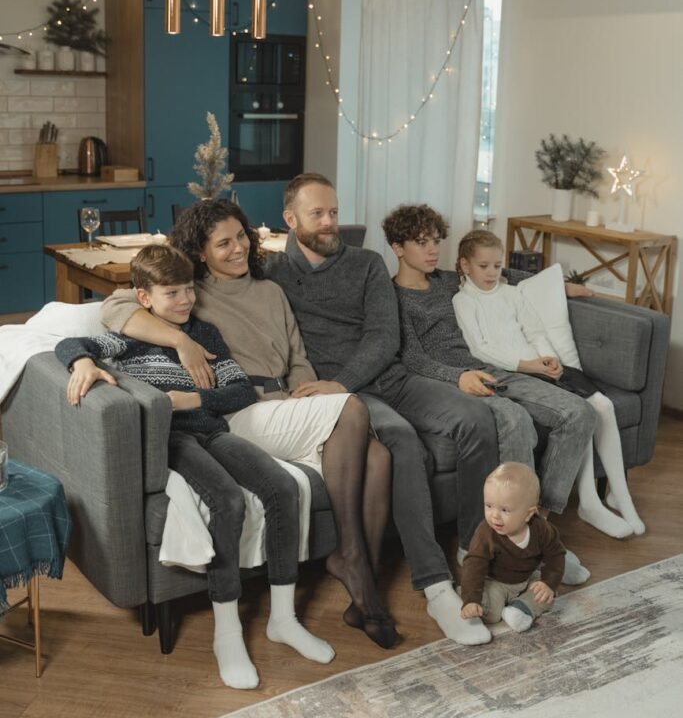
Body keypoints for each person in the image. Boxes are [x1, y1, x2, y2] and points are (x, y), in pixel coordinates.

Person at [100, 204, 397, 650]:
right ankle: (351, 558)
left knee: (379, 455)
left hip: (286, 405)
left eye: (241, 236)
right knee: (352, 408)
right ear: (199, 252)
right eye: (223, 243)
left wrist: (302, 395)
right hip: (242, 408)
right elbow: (115, 306)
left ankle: (361, 586)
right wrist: (181, 340)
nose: (238, 248)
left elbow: (297, 356)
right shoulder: (192, 294)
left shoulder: (271, 290)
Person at [56, 243, 336, 690]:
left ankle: (283, 619)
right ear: (144, 298)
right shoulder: (128, 337)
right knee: (227, 500)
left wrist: (194, 399)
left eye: (188, 289)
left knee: (283, 487)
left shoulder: (206, 334)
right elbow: (71, 343)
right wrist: (83, 362)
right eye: (172, 293)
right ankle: (227, 633)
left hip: (213, 430)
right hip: (173, 439)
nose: (185, 299)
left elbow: (239, 391)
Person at [263, 173, 504, 647]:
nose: (330, 222)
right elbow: (178, 286)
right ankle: (435, 587)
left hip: (390, 378)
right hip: (345, 400)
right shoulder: (271, 274)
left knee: (478, 418)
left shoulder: (367, 263)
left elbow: (384, 337)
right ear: (290, 219)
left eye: (334, 212)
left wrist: (343, 379)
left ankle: (471, 550)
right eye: (317, 214)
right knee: (403, 442)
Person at [382, 203, 597, 586]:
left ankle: (534, 530)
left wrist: (560, 289)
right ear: (398, 248)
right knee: (515, 420)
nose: (433, 250)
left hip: (489, 369)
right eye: (421, 243)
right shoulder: (392, 295)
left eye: (436, 242)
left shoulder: (446, 280)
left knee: (580, 413)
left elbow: (504, 275)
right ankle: (517, 543)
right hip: (447, 382)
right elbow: (411, 357)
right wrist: (458, 376)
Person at [453, 228, 644, 538]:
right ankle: (589, 500)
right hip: (518, 371)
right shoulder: (464, 301)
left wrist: (550, 359)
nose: (492, 273)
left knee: (604, 405)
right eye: (483, 266)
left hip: (542, 365)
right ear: (465, 265)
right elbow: (480, 349)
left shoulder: (511, 293)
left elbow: (535, 331)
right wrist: (529, 365)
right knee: (579, 411)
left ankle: (620, 496)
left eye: (497, 266)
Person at [460, 462, 566, 638]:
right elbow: (474, 564)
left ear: (528, 514)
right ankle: (466, 593)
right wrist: (471, 599)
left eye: (505, 510)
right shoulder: (486, 533)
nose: (494, 515)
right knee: (491, 614)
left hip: (527, 577)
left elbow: (556, 555)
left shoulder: (542, 529)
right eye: (489, 506)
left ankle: (520, 608)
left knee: (547, 594)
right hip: (496, 582)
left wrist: (548, 583)